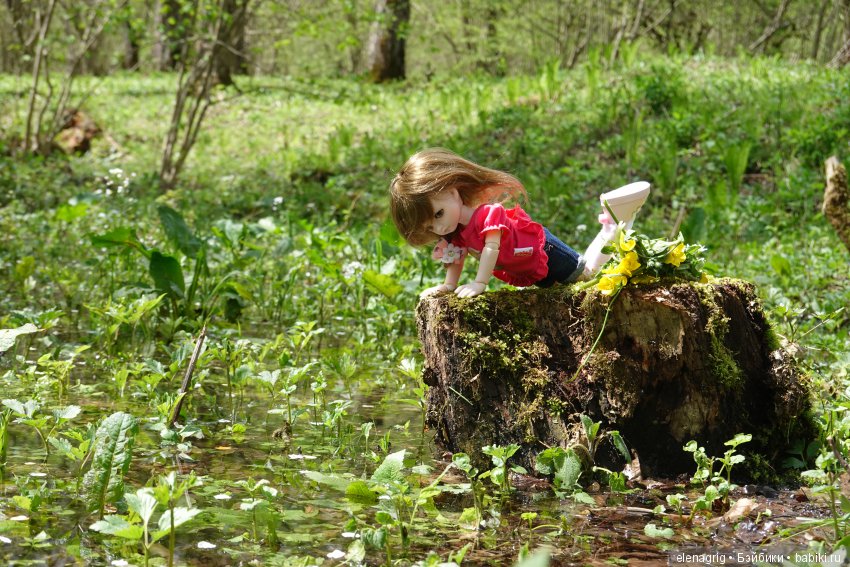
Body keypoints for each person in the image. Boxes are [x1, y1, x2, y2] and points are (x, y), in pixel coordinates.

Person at [389, 148, 649, 298]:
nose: (440, 229)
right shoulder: (456, 232)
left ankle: (615, 222)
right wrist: (449, 285)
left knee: (586, 275)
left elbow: (491, 249)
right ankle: (613, 226)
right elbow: (456, 257)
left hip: (543, 250)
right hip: (528, 266)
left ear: (454, 192)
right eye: (430, 228)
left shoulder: (487, 215)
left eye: (438, 215)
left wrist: (480, 283)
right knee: (567, 292)